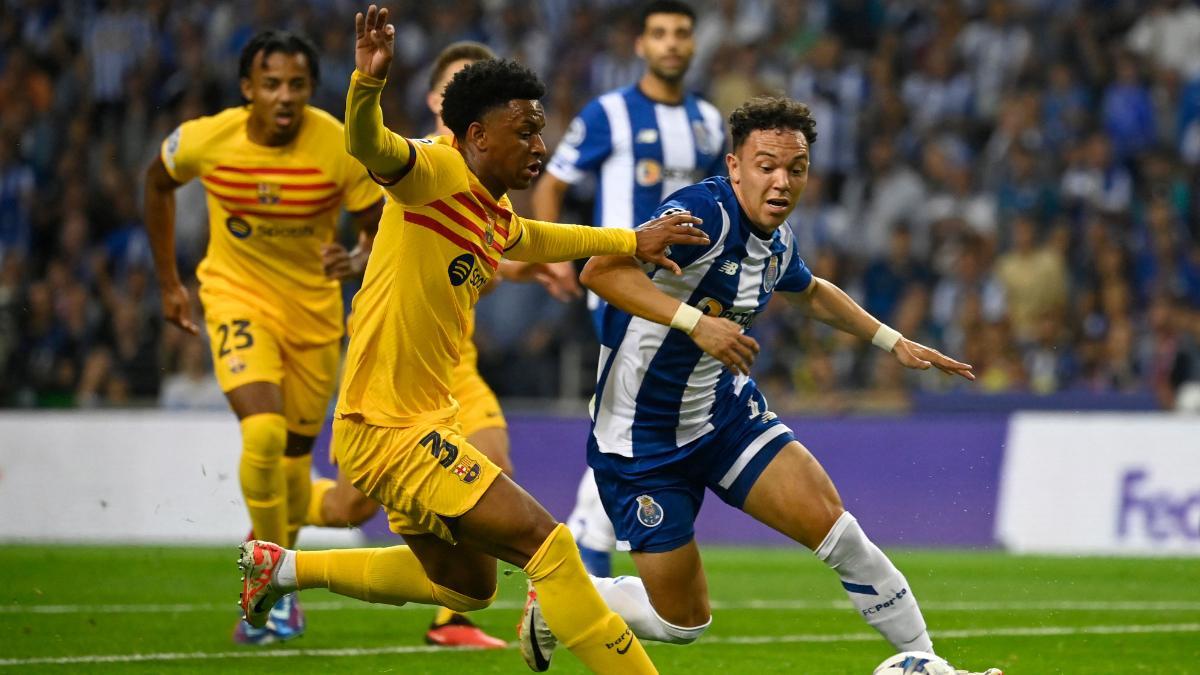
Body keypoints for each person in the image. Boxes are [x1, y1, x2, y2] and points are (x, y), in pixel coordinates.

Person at [237, 6, 709, 673]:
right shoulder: (432, 170)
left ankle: (280, 567)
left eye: (541, 131)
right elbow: (370, 147)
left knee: (467, 586)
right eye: (526, 132)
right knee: (551, 546)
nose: (539, 148)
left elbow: (540, 238)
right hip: (390, 427)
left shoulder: (490, 208)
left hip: (420, 421)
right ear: (477, 134)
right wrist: (366, 86)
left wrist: (632, 240)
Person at [517, 96, 1001, 675]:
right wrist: (699, 324)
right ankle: (564, 599)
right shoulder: (701, 215)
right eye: (766, 165)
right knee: (682, 624)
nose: (781, 182)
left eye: (795, 169)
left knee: (841, 535)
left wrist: (892, 341)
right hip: (641, 439)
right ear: (734, 166)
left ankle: (930, 665)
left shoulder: (776, 240)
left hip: (723, 419)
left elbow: (811, 289)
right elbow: (600, 271)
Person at [301, 40, 578, 650]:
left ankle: (470, 613)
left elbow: (487, 247)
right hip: (399, 375)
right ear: (440, 102)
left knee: (494, 479)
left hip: (457, 368)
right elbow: (398, 252)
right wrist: (356, 256)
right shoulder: (422, 165)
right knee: (352, 510)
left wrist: (544, 261)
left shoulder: (490, 188)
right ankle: (287, 497)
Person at [144, 30, 385, 645]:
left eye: (297, 85)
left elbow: (376, 226)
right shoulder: (207, 137)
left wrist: (358, 257)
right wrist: (171, 282)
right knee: (264, 431)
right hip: (236, 299)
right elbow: (157, 182)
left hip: (314, 319)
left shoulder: (338, 145)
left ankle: (275, 584)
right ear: (247, 88)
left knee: (295, 475)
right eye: (271, 84)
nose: (285, 97)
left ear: (311, 90)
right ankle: (270, 580)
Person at [531, 0, 725, 577]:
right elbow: (554, 184)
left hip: (688, 293)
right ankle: (589, 543)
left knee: (633, 414)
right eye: (660, 33)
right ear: (640, 45)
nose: (671, 43)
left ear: (692, 45)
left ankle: (586, 536)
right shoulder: (607, 114)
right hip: (619, 284)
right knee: (632, 412)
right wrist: (559, 257)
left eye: (681, 34)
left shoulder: (709, 122)